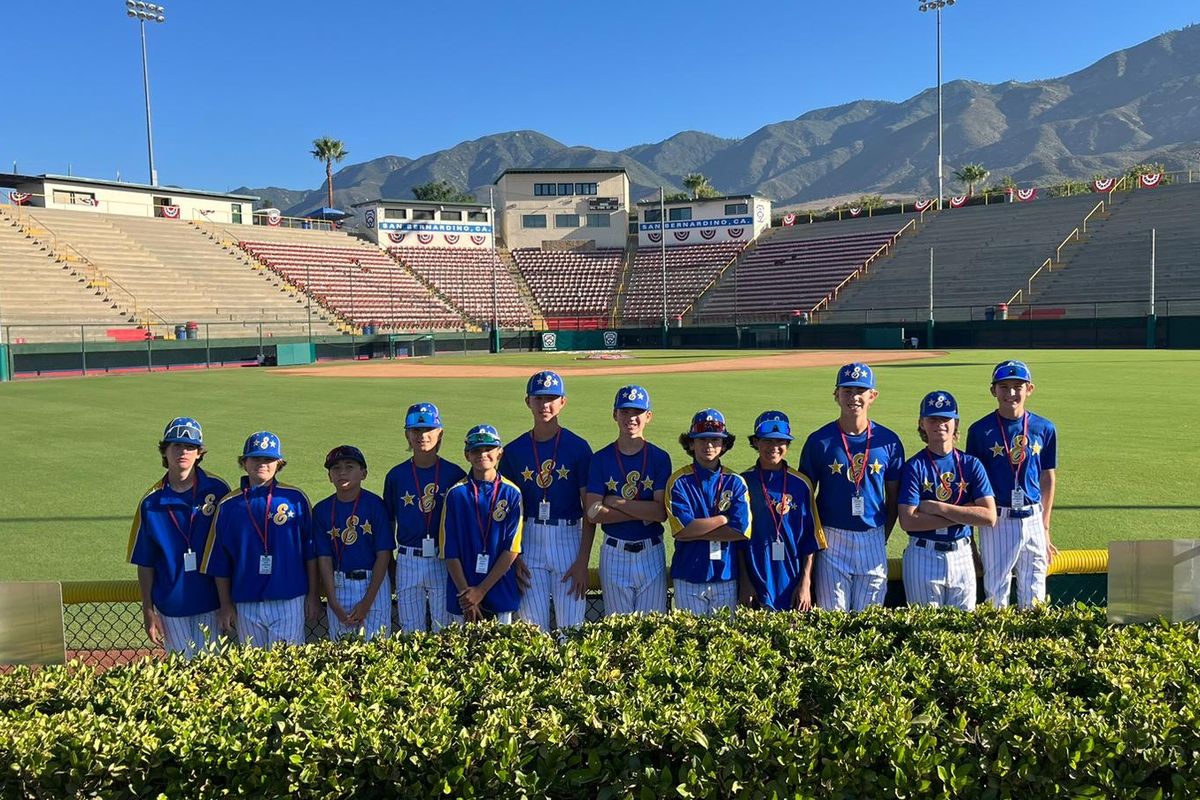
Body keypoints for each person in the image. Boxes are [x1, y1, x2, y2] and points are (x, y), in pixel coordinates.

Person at [799, 362, 904, 611]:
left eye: (860, 390)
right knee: (832, 618)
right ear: (836, 395)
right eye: (847, 391)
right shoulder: (819, 441)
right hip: (832, 537)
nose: (854, 397)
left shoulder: (888, 441)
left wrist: (880, 538)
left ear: (872, 396)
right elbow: (805, 500)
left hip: (873, 535)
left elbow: (894, 500)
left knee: (870, 619)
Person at [201, 431, 321, 647]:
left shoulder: (295, 498)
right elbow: (220, 561)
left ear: (279, 463)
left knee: (289, 667)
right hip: (247, 600)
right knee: (254, 669)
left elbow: (310, 553)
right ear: (244, 462)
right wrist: (226, 604)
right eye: (256, 458)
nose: (262, 464)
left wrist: (313, 595)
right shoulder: (229, 505)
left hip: (289, 597)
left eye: (268, 459)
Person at [499, 371, 594, 631]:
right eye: (539, 398)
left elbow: (590, 511)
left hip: (568, 536)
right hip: (528, 538)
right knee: (531, 628)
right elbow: (508, 512)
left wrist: (583, 561)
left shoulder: (578, 447)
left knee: (572, 628)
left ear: (563, 401)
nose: (545, 405)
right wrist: (514, 558)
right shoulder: (514, 450)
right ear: (527, 401)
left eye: (551, 398)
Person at [127, 417, 229, 659]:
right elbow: (145, 562)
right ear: (165, 451)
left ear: (199, 453)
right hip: (172, 605)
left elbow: (228, 549)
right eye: (176, 445)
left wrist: (228, 603)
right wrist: (148, 610)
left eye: (190, 447)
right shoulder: (151, 502)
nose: (183, 452)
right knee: (182, 673)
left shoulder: (219, 490)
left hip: (213, 601)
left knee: (213, 672)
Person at [965, 360, 1058, 608]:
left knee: (1036, 588)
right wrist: (972, 537)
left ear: (1030, 389)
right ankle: (999, 645)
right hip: (998, 518)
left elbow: (1047, 477)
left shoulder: (1045, 428)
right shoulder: (980, 431)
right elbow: (973, 485)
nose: (1011, 393)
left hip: (1033, 517)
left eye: (1018, 386)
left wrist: (1045, 527)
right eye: (1004, 387)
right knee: (996, 591)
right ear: (993, 390)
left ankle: (1033, 643)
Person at [898, 391, 996, 610]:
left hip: (962, 554)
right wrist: (965, 514)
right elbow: (908, 521)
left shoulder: (971, 464)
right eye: (932, 418)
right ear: (921, 423)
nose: (939, 424)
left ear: (955, 423)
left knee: (963, 632)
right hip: (923, 554)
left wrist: (938, 508)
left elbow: (989, 516)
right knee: (924, 630)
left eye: (945, 418)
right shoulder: (915, 466)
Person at [585, 385, 672, 615]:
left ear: (648, 416)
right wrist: (642, 510)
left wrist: (615, 502)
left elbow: (660, 513)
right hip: (614, 552)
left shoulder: (659, 458)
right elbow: (592, 512)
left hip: (651, 551)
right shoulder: (601, 458)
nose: (631, 418)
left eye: (637, 412)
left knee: (651, 632)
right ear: (614, 414)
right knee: (617, 631)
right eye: (624, 411)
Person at [383, 403, 466, 633]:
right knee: (411, 629)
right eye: (415, 431)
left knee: (443, 627)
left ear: (440, 433)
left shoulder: (454, 474)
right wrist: (391, 561)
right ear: (407, 435)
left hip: (443, 558)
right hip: (407, 557)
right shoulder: (396, 475)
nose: (422, 436)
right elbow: (389, 521)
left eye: (429, 429)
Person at [665, 408, 752, 615]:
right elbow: (681, 531)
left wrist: (695, 532)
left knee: (722, 644)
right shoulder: (678, 481)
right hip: (688, 576)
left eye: (715, 439)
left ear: (724, 444)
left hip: (725, 575)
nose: (709, 445)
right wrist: (723, 519)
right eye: (702, 439)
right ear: (691, 443)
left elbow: (741, 530)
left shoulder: (736, 481)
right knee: (690, 643)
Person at [737, 411, 825, 612]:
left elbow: (810, 540)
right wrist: (745, 583)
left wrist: (805, 583)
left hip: (792, 581)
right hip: (755, 579)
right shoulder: (743, 482)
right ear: (756, 442)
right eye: (767, 440)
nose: (773, 447)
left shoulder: (801, 484)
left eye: (780, 441)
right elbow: (738, 540)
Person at [441, 424, 524, 624]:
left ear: (500, 452)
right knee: (460, 652)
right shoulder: (456, 494)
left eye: (489, 449)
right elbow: (449, 550)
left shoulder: (512, 493)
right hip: (463, 593)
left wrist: (480, 591)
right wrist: (468, 595)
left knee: (501, 652)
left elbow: (511, 549)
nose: (483, 454)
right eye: (476, 450)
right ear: (466, 455)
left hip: (499, 587)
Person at [313, 445, 394, 641]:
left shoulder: (375, 505)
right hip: (338, 585)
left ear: (363, 473)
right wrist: (332, 601)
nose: (342, 472)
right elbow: (323, 558)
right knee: (342, 656)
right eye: (335, 468)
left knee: (377, 652)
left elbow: (384, 555)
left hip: (373, 584)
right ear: (329, 476)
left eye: (349, 466)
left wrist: (367, 602)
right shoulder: (322, 510)